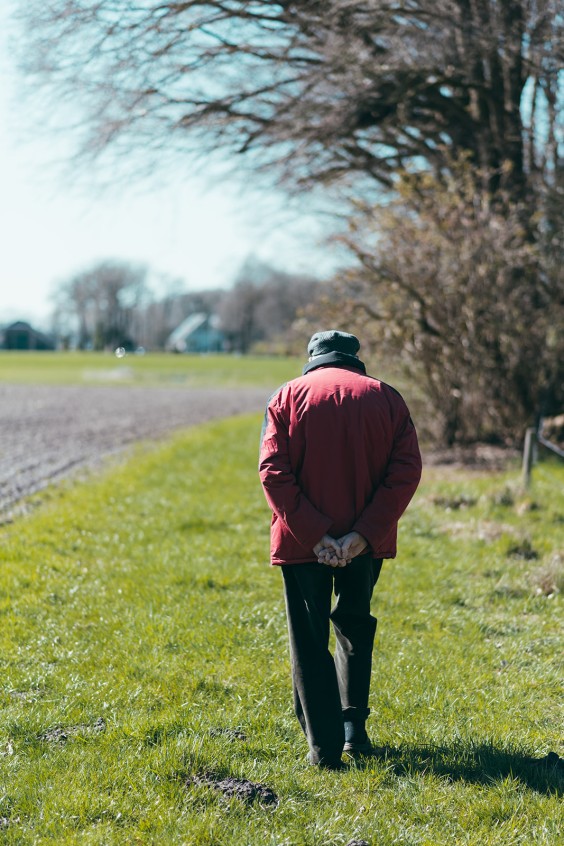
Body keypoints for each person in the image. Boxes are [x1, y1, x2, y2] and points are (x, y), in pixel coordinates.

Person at [259, 329, 422, 769]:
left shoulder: (287, 396)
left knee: (309, 639)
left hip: (300, 541)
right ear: (355, 357)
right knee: (355, 626)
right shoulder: (387, 398)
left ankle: (324, 749)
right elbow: (406, 471)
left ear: (312, 357)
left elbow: (272, 470)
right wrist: (361, 536)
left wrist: (315, 535)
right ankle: (354, 732)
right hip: (364, 544)